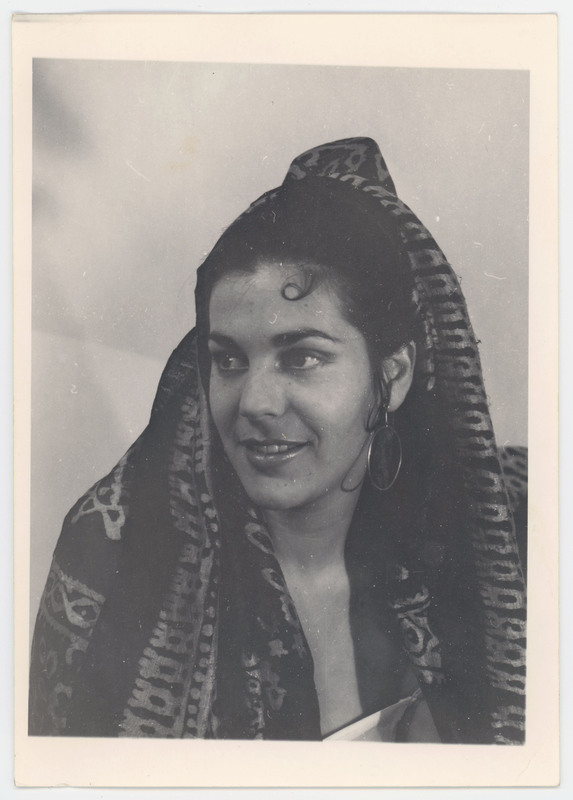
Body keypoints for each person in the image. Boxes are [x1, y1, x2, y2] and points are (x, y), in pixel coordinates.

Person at [29, 137, 527, 743]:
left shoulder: (510, 537)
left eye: (302, 358)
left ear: (392, 376)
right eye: (229, 360)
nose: (255, 403)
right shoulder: (114, 556)